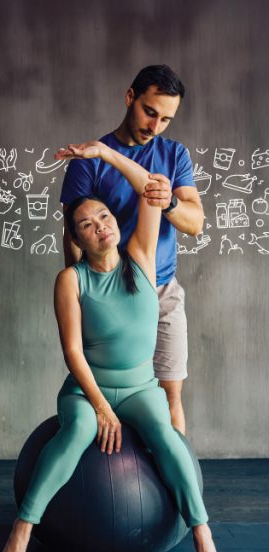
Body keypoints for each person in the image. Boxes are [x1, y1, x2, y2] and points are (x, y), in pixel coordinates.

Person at [0, 141, 225, 552]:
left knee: (164, 432)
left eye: (103, 216)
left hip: (141, 389)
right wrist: (100, 406)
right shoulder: (70, 280)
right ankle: (21, 531)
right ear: (76, 238)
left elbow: (153, 189)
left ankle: (203, 536)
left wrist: (104, 154)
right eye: (86, 223)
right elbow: (73, 354)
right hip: (87, 390)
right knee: (79, 429)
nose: (99, 225)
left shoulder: (141, 257)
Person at [58, 64, 203, 435]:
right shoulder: (86, 163)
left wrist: (168, 201)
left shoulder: (173, 155)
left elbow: (194, 223)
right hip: (109, 295)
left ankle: (172, 490)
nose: (155, 126)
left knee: (170, 394)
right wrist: (79, 296)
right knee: (108, 395)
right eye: (149, 112)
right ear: (130, 98)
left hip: (162, 289)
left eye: (166, 119)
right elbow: (72, 235)